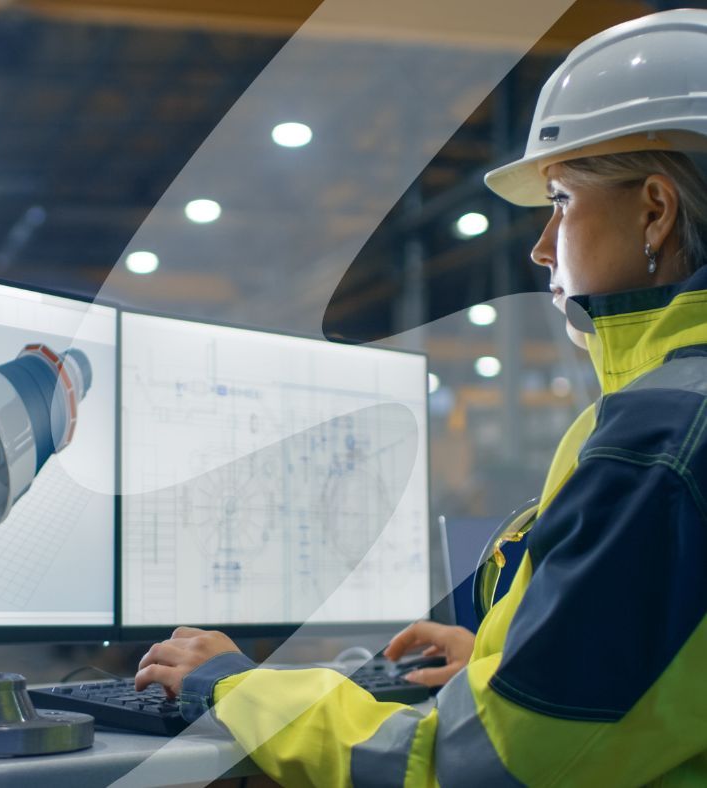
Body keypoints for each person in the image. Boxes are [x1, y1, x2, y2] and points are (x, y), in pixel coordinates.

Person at [134, 9, 707, 785]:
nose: (541, 246)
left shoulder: (660, 436)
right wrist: (515, 667)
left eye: (561, 200)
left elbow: (472, 767)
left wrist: (236, 687)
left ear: (654, 209)